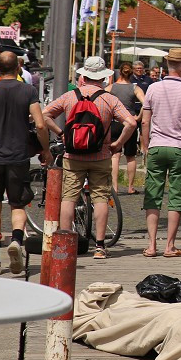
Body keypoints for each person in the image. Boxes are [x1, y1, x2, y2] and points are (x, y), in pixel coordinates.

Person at [44, 56, 136, 260]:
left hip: (73, 154)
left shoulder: (70, 96)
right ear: (103, 78)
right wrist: (118, 144)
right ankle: (100, 247)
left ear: (83, 76)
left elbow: (44, 115)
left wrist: (61, 134)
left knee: (68, 197)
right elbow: (131, 123)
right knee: (101, 198)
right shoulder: (109, 99)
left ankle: (66, 244)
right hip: (101, 155)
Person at [0, 52, 51, 274]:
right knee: (18, 204)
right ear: (18, 68)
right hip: (18, 156)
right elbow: (41, 124)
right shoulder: (28, 91)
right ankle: (17, 240)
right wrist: (45, 150)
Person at [139, 48, 181, 258]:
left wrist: (146, 146)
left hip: (156, 145)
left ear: (166, 65)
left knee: (153, 195)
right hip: (180, 147)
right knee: (176, 196)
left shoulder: (153, 89)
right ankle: (170, 246)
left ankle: (152, 245)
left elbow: (145, 121)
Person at [109, 62, 145, 194]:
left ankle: (115, 187)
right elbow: (146, 103)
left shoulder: (111, 87)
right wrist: (138, 117)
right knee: (130, 156)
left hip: (114, 122)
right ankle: (130, 187)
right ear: (132, 73)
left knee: (115, 155)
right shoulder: (135, 88)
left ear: (119, 72)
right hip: (129, 123)